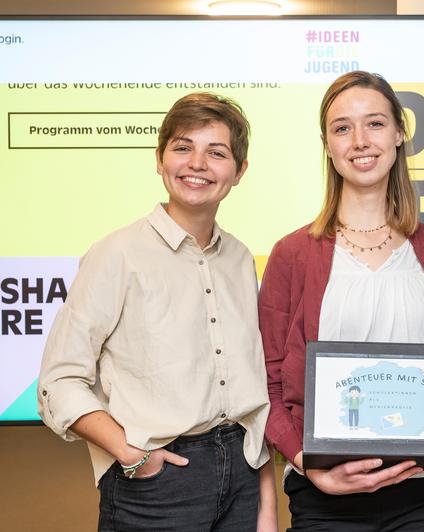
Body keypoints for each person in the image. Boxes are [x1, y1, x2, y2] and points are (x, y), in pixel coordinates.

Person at [38, 92, 277, 532]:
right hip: (157, 481)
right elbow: (59, 381)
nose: (197, 163)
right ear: (160, 158)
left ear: (239, 171)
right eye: (183, 147)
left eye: (216, 152)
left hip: (242, 472)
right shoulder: (117, 254)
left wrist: (265, 505)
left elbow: (252, 393)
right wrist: (132, 456)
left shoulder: (241, 259)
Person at [259, 71, 424, 531]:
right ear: (328, 145)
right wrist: (305, 462)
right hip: (324, 496)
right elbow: (268, 380)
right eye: (342, 128)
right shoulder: (292, 254)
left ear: (399, 134)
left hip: (422, 493)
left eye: (374, 124)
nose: (360, 141)